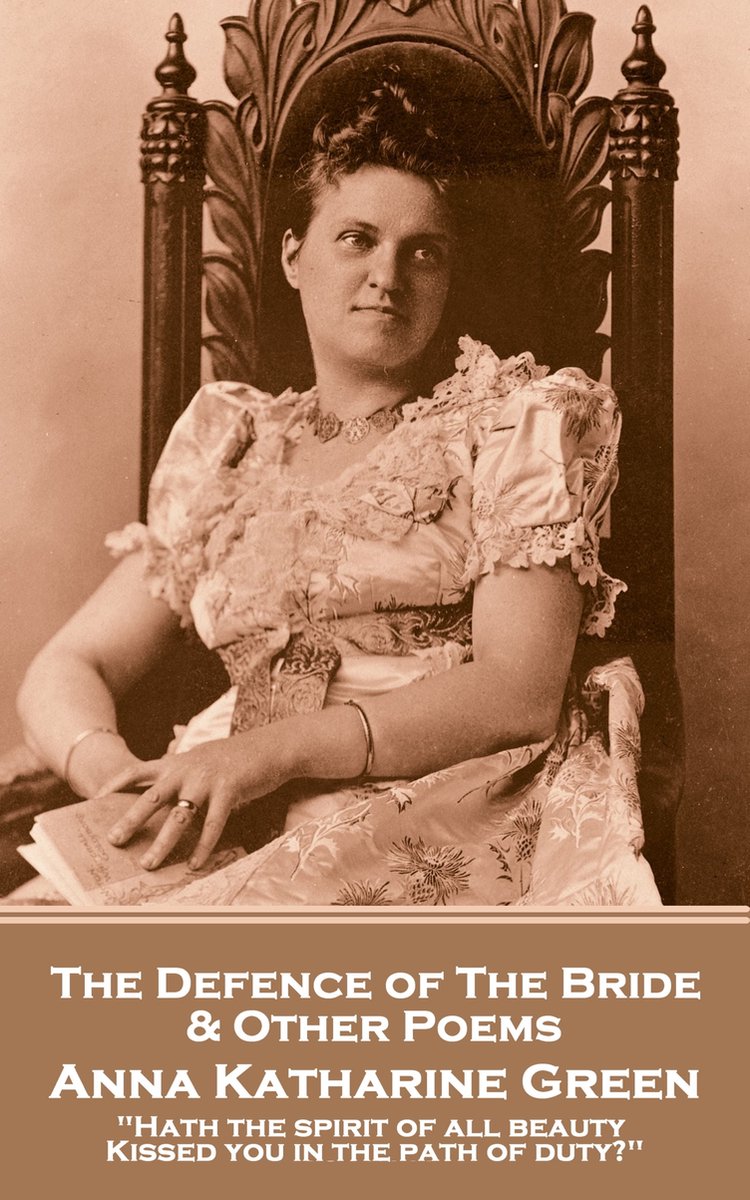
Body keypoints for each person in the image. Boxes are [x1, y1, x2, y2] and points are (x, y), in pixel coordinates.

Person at [15, 78, 660, 906]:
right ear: (293, 256)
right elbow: (70, 663)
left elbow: (518, 692)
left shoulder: (509, 425)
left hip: (428, 798)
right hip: (219, 794)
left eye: (422, 251)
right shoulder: (233, 449)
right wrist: (117, 778)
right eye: (357, 239)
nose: (387, 275)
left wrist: (273, 753)